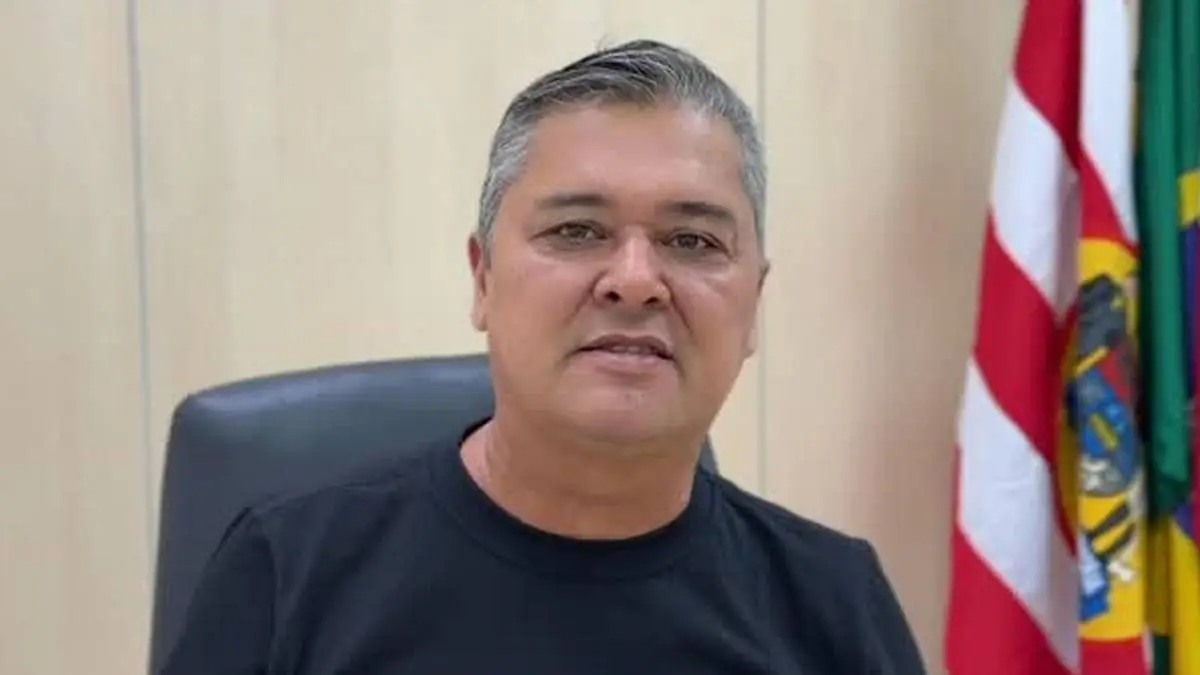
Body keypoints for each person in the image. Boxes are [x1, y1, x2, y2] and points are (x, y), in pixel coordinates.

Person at [157, 39, 927, 674]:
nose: (635, 280)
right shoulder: (291, 576)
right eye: (577, 231)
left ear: (753, 304)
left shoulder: (834, 607)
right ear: (483, 279)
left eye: (692, 240)